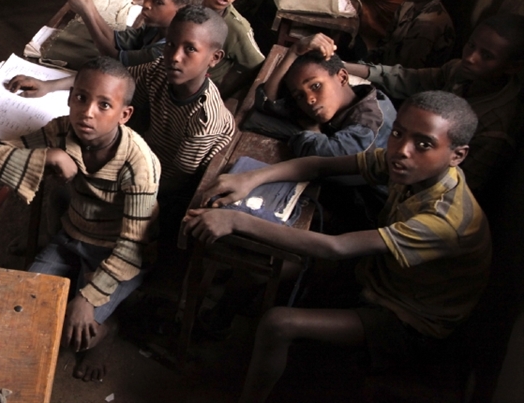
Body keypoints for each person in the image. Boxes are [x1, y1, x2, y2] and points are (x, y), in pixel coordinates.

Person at [185, 91, 491, 403]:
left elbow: (337, 248)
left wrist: (235, 221)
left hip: (409, 321)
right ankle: (217, 324)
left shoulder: (448, 219)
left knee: (279, 324)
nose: (402, 150)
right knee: (276, 265)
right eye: (398, 133)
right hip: (379, 276)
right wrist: (251, 179)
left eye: (423, 144)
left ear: (457, 155)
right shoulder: (409, 166)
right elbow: (318, 165)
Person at [0, 57, 161, 382]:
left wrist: (87, 298)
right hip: (71, 236)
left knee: (73, 334)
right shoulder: (62, 130)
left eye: (104, 105)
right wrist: (49, 155)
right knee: (23, 308)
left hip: (116, 253)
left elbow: (132, 247)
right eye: (80, 97)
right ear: (69, 97)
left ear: (124, 115)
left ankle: (108, 329)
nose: (87, 112)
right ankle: (81, 289)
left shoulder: (139, 166)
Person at [6, 7, 235, 237]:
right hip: (147, 157)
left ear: (214, 58)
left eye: (190, 49)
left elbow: (177, 179)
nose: (175, 56)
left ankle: (72, 248)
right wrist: (49, 86)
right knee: (65, 181)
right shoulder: (160, 71)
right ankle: (58, 243)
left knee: (69, 192)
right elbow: (108, 80)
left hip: (170, 188)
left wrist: (105, 183)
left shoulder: (204, 120)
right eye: (170, 44)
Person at [345, 13, 524, 192]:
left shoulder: (496, 128)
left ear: (512, 67)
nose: (471, 57)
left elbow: (462, 189)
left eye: (486, 56)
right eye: (471, 45)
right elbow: (409, 79)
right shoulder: (460, 71)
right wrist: (344, 66)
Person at [255, 33, 396, 159]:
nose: (309, 99)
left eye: (315, 86)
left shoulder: (368, 123)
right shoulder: (353, 96)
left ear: (342, 77)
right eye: (299, 96)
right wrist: (294, 51)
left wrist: (312, 130)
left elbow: (323, 156)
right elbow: (268, 101)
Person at [58, 0, 207, 66]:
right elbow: (114, 40)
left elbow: (113, 58)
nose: (146, 4)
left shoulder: (168, 51)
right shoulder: (156, 27)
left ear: (182, 10)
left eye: (158, 2)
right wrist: (88, 2)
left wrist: (86, 11)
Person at [202, 0, 265, 96]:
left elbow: (257, 66)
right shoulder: (190, 1)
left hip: (201, 91)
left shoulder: (237, 28)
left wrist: (224, 91)